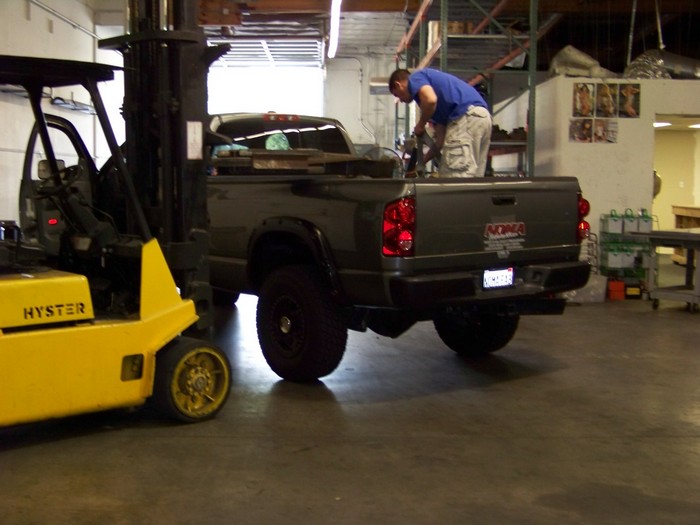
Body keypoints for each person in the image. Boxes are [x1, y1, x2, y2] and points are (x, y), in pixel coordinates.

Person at [389, 68, 492, 177]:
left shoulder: (415, 78)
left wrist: (420, 125)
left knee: (455, 177)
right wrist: (422, 162)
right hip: (482, 118)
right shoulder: (439, 107)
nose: (400, 100)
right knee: (473, 180)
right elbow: (440, 141)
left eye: (397, 95)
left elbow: (430, 100)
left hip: (466, 117)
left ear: (398, 84)